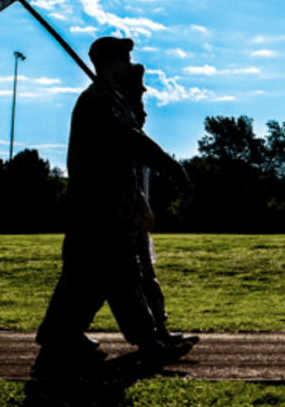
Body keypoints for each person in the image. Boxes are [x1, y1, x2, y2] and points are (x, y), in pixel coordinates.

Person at [33, 37, 193, 374]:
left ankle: (59, 336)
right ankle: (149, 344)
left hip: (100, 210)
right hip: (97, 211)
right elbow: (131, 141)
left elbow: (123, 159)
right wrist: (171, 166)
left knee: (83, 280)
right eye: (124, 59)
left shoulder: (109, 100)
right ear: (106, 63)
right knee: (121, 276)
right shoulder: (98, 102)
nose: (128, 65)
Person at [121, 62, 199, 347]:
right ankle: (151, 336)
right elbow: (125, 179)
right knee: (127, 280)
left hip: (135, 220)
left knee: (144, 277)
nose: (145, 113)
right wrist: (143, 206)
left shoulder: (132, 130)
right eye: (140, 101)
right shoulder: (120, 129)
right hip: (126, 218)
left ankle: (158, 330)